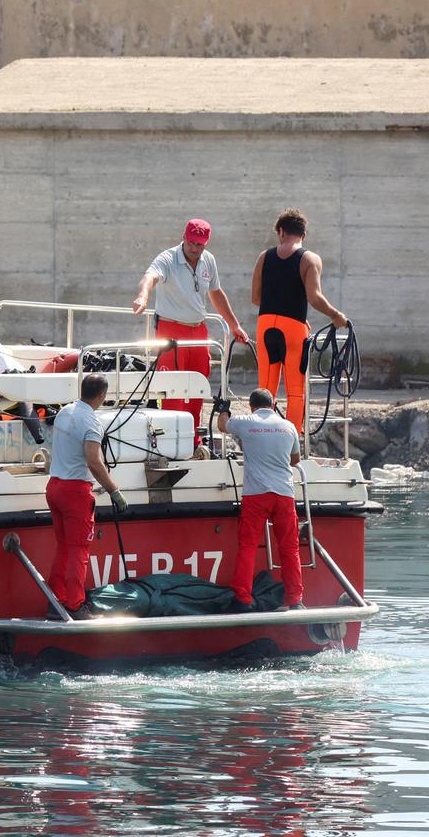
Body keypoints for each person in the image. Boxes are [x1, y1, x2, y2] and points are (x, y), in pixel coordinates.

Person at [130, 219, 250, 434]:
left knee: (198, 385)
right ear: (184, 238)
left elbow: (216, 293)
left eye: (200, 244)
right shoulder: (167, 258)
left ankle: (192, 437)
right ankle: (169, 439)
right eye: (191, 243)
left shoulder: (208, 260)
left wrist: (234, 325)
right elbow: (150, 277)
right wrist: (142, 296)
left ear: (206, 243)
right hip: (170, 330)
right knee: (172, 388)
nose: (195, 249)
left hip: (198, 331)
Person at [251, 208, 348, 434]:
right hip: (293, 329)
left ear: (281, 232)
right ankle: (291, 442)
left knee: (265, 388)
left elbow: (256, 298)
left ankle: (262, 435)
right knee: (295, 390)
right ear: (303, 235)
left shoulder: (264, 257)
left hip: (265, 325)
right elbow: (314, 297)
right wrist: (336, 316)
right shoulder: (309, 259)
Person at [45, 373, 129, 619]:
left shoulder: (65, 412)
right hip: (75, 491)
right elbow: (94, 461)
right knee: (79, 551)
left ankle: (55, 601)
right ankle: (75, 605)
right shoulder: (91, 422)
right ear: (102, 396)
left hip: (54, 486)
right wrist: (115, 491)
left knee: (63, 548)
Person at [216, 388, 305, 611]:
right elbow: (295, 459)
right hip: (284, 494)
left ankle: (243, 598)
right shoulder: (289, 426)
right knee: (290, 548)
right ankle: (295, 600)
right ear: (274, 405)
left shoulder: (246, 421)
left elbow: (222, 425)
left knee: (248, 547)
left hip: (256, 495)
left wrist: (223, 409)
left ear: (251, 406)